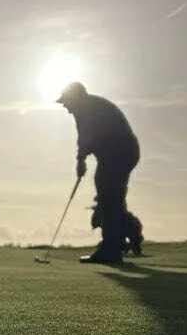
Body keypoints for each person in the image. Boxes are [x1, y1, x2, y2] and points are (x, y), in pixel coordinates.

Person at [57, 82, 140, 264]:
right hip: (119, 154)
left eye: (66, 102)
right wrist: (81, 160)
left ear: (75, 98)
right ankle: (117, 243)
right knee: (112, 198)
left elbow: (86, 138)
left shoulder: (87, 109)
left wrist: (81, 161)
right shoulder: (87, 107)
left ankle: (111, 249)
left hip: (119, 153)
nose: (65, 107)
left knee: (108, 197)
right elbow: (85, 139)